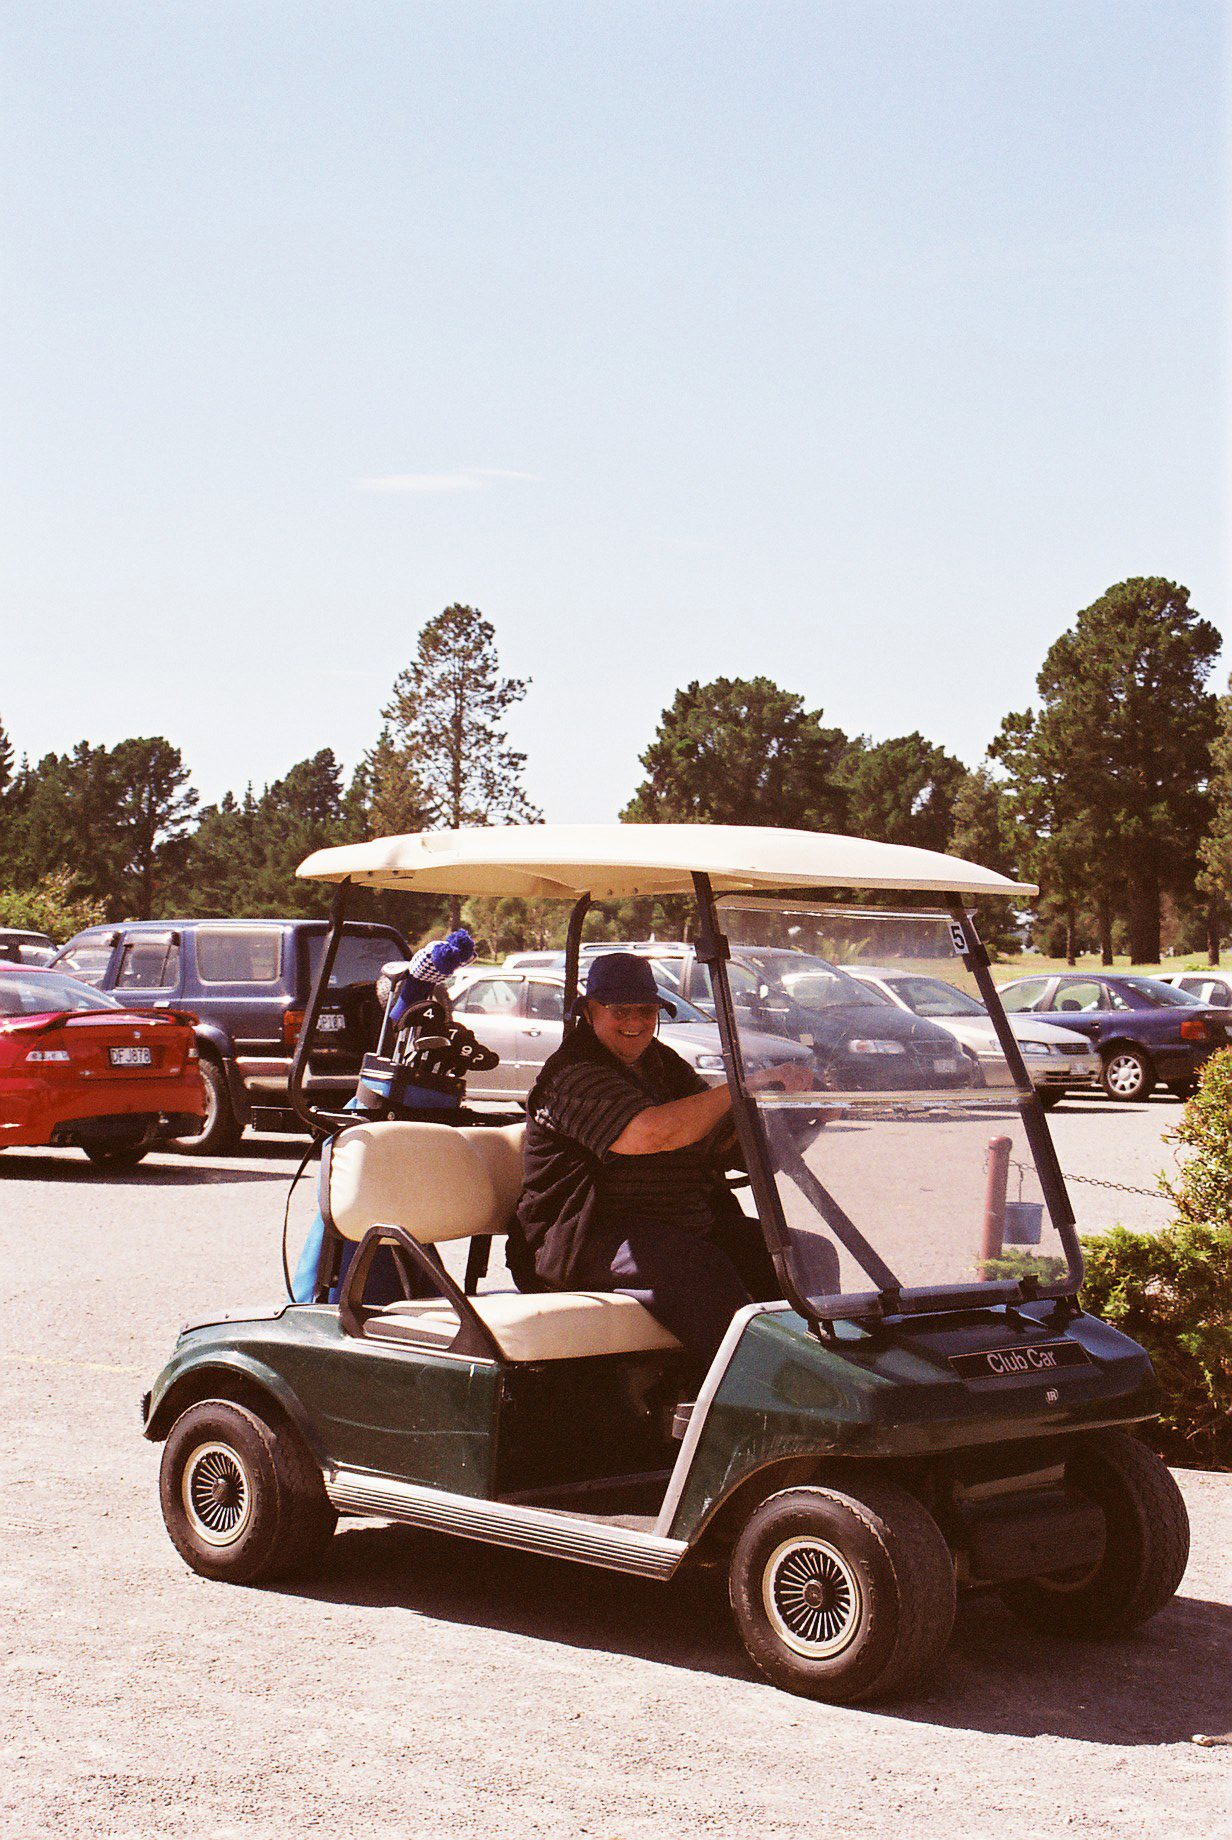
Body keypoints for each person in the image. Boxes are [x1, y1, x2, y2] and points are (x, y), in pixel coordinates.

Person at [512, 951, 814, 1373]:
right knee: (698, 1268)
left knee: (802, 1255)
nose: (635, 1023)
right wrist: (743, 1086)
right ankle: (758, 1389)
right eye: (621, 1011)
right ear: (589, 1010)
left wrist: (804, 1115)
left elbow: (718, 1137)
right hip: (582, 1237)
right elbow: (655, 1133)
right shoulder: (572, 1072)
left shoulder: (661, 1062)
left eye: (647, 1011)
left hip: (677, 1224)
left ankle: (816, 1372)